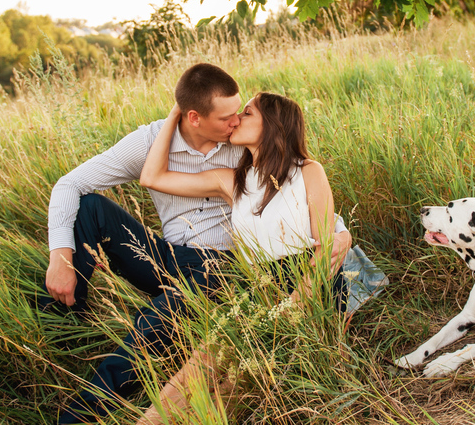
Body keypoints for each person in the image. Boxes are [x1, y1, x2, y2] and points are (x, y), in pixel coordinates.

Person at [41, 63, 351, 424]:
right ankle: (64, 322)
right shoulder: (178, 152)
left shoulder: (251, 154)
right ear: (194, 116)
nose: (235, 121)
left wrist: (338, 233)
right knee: (91, 207)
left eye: (242, 113)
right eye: (228, 117)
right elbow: (96, 182)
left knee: (160, 327)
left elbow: (305, 205)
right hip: (172, 258)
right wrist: (60, 256)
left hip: (227, 268)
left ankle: (86, 414)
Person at [135, 92, 350, 425]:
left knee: (236, 388)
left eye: (246, 113)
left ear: (273, 125)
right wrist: (179, 107)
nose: (235, 119)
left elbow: (325, 248)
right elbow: (152, 178)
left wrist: (292, 306)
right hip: (258, 288)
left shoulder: (309, 171)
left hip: (310, 288)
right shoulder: (232, 179)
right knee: (197, 366)